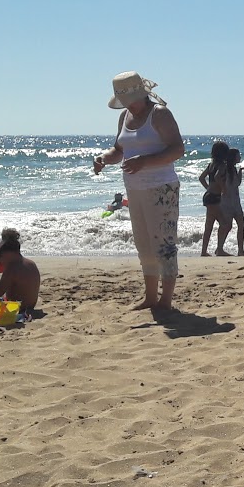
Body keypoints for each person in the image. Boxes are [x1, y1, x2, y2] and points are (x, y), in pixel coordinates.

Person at [92, 71, 185, 310]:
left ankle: (166, 301)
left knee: (164, 244)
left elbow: (177, 150)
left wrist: (144, 162)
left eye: (127, 100)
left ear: (140, 95)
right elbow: (119, 150)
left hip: (162, 187)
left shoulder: (160, 114)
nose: (125, 106)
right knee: (143, 244)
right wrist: (103, 158)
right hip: (134, 189)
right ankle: (151, 297)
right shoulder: (124, 116)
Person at [0, 228, 41, 314]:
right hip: (29, 307)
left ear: (3, 254)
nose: (2, 264)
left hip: (16, 310)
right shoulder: (31, 263)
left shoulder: (12, 268)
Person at [200, 140, 232, 256]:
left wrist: (208, 188)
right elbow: (218, 176)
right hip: (214, 197)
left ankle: (204, 251)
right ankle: (219, 249)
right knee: (226, 224)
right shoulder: (222, 166)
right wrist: (223, 188)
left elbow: (201, 178)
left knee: (209, 225)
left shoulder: (211, 165)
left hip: (208, 196)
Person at [225, 148, 244, 256]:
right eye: (238, 155)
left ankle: (240, 250)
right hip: (229, 201)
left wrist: (240, 171)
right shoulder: (226, 169)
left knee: (240, 225)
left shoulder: (232, 169)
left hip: (233, 200)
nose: (240, 157)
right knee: (229, 225)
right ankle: (220, 248)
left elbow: (237, 183)